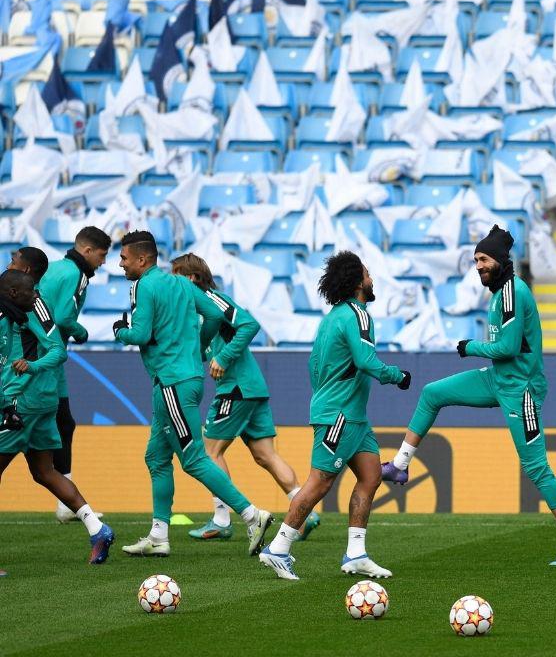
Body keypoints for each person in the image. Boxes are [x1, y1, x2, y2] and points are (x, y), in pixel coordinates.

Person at [382, 225, 556, 565]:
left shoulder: (511, 293)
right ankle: (400, 466)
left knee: (535, 466)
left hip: (520, 389)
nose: (478, 265)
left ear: (499, 260)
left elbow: (508, 347)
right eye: (475, 260)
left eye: (483, 259)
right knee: (432, 393)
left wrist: (470, 346)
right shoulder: (500, 292)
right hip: (499, 379)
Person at [113, 231, 273, 558]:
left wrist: (120, 330)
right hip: (184, 379)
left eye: (125, 258)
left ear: (142, 259)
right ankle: (159, 536)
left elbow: (140, 333)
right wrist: (199, 345)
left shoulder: (142, 286)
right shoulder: (184, 284)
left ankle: (251, 515)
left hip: (172, 382)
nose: (121, 263)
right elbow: (214, 315)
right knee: (156, 457)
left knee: (194, 458)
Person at [260, 251, 412, 581]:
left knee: (371, 476)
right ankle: (279, 547)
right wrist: (395, 376)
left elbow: (314, 365)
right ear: (358, 282)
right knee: (320, 481)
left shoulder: (332, 318)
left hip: (352, 416)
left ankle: (356, 553)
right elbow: (365, 360)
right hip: (340, 416)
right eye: (368, 274)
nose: (372, 279)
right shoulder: (358, 315)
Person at [169, 253, 319, 543]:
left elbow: (249, 324)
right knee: (266, 455)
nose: (171, 282)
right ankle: (305, 511)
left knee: (208, 452)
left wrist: (223, 357)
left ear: (191, 278)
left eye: (175, 275)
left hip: (235, 388)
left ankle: (222, 519)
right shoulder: (197, 307)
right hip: (251, 388)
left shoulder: (213, 298)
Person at [0, 269, 114, 564]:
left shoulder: (22, 314)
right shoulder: (22, 313)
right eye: (30, 292)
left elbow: (53, 352)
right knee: (44, 471)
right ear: (14, 292)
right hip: (42, 402)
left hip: (19, 402)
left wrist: (32, 367)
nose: (35, 295)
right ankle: (97, 528)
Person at [34, 227, 113, 523]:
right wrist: (81, 332)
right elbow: (65, 318)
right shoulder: (76, 275)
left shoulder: (53, 268)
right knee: (54, 425)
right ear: (88, 251)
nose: (104, 262)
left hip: (44, 355)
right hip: (46, 357)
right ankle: (66, 502)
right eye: (103, 255)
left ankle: (66, 502)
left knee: (63, 423)